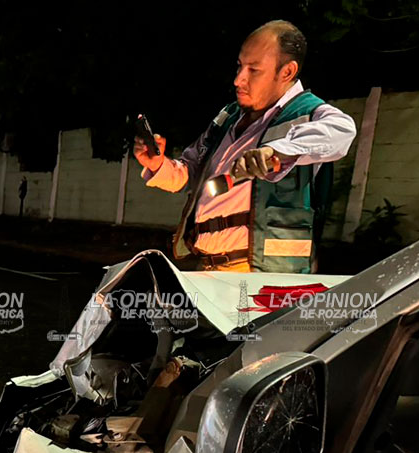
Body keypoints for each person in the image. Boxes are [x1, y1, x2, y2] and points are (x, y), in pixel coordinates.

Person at [134, 20, 356, 273]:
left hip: (266, 276)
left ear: (287, 72)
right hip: (206, 267)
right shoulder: (227, 117)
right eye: (240, 66)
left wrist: (277, 151)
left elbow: (343, 131)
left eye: (254, 70)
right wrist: (158, 165)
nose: (238, 80)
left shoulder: (308, 111)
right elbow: (189, 173)